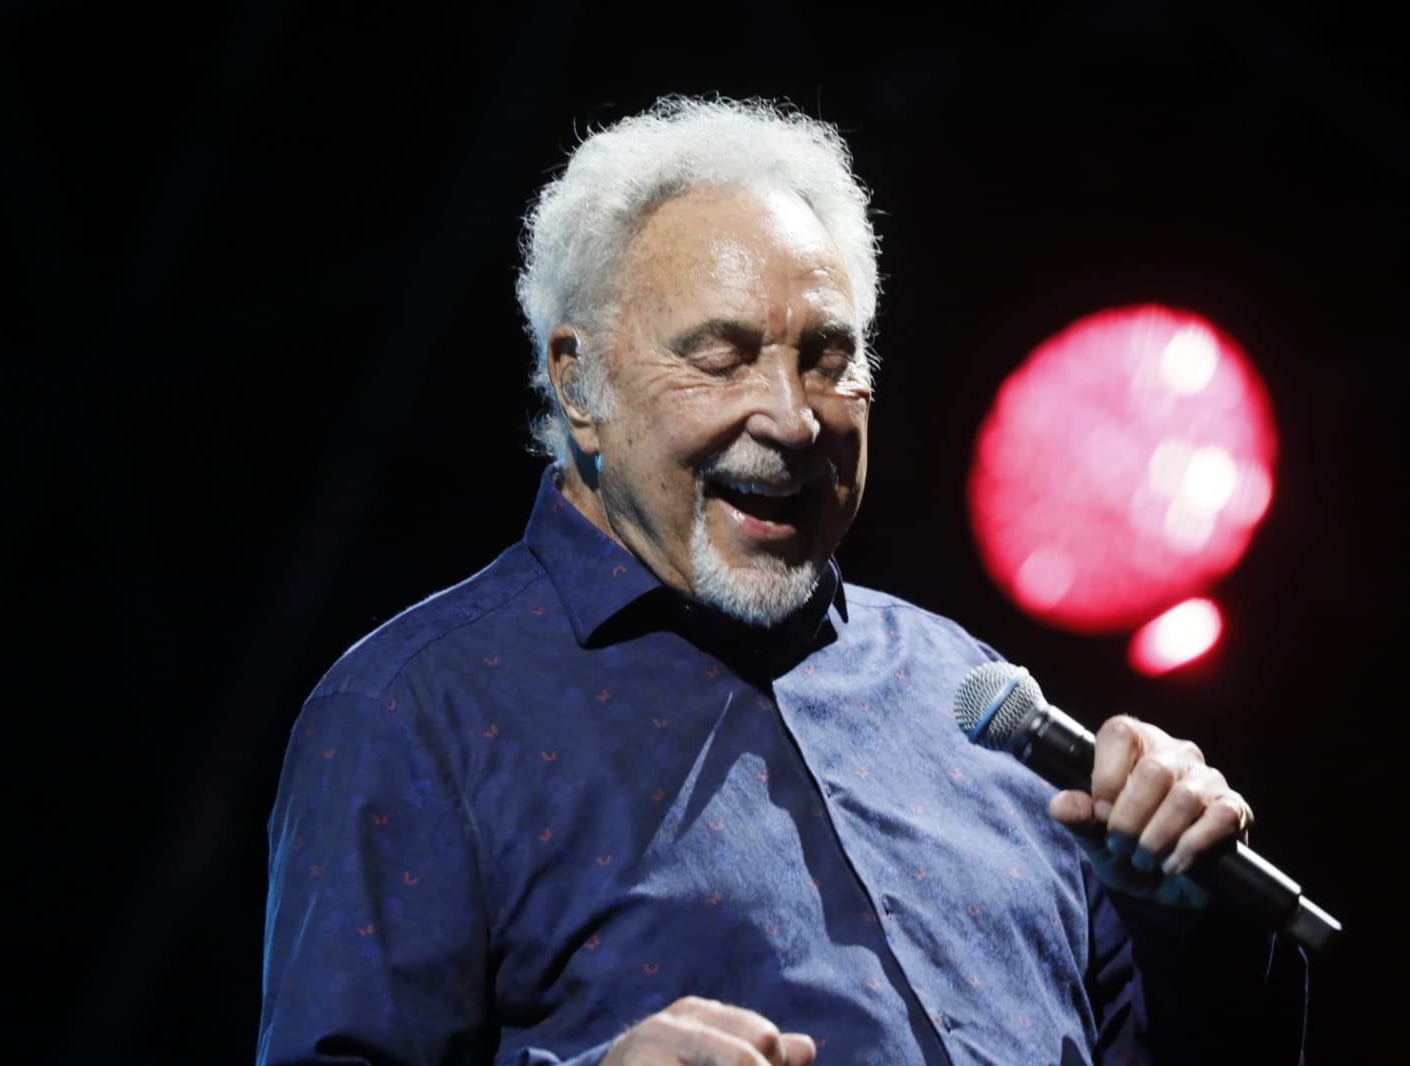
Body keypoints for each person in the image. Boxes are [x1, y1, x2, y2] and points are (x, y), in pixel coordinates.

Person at [256, 94, 1307, 1065]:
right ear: (578, 383)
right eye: (719, 357)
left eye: (825, 356)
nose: (793, 419)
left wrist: (1193, 920)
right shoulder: (414, 710)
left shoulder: (964, 693)